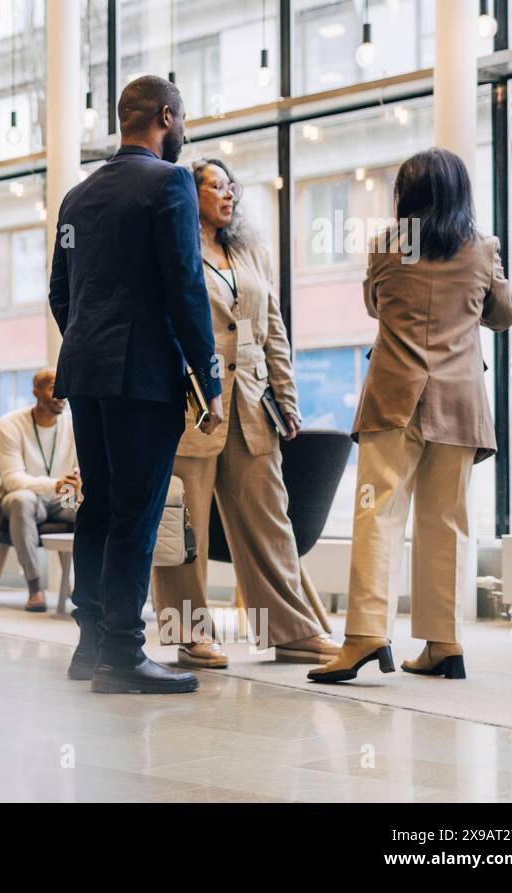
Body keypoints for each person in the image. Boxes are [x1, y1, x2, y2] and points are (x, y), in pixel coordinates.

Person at [310, 148, 512, 684]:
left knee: (376, 512)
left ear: (407, 196)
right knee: (445, 520)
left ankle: (364, 636)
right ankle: (443, 643)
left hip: (394, 398)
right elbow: (504, 315)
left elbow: (373, 305)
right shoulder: (483, 249)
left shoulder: (386, 247)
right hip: (459, 402)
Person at [48, 74, 224, 695]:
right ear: (167, 117)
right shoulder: (170, 182)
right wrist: (207, 376)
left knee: (99, 505)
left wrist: (89, 344)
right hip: (142, 377)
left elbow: (59, 293)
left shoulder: (78, 195)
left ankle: (91, 644)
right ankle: (123, 655)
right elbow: (185, 285)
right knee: (138, 512)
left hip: (87, 374)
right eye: (184, 121)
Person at [152, 158, 338, 668]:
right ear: (191, 196)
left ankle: (289, 631)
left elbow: (272, 327)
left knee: (270, 520)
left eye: (232, 184)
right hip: (193, 403)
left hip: (252, 402)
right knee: (184, 523)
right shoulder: (172, 250)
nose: (229, 193)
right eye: (217, 186)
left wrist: (287, 396)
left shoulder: (250, 250)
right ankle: (189, 634)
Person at [0, 367, 79, 612]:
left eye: (64, 387)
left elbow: (80, 469)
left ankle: (86, 587)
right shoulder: (10, 424)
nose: (62, 394)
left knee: (93, 508)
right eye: (54, 387)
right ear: (36, 392)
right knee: (22, 499)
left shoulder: (75, 424)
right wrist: (55, 484)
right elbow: (12, 479)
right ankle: (35, 588)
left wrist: (77, 481)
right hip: (25, 500)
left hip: (63, 499)